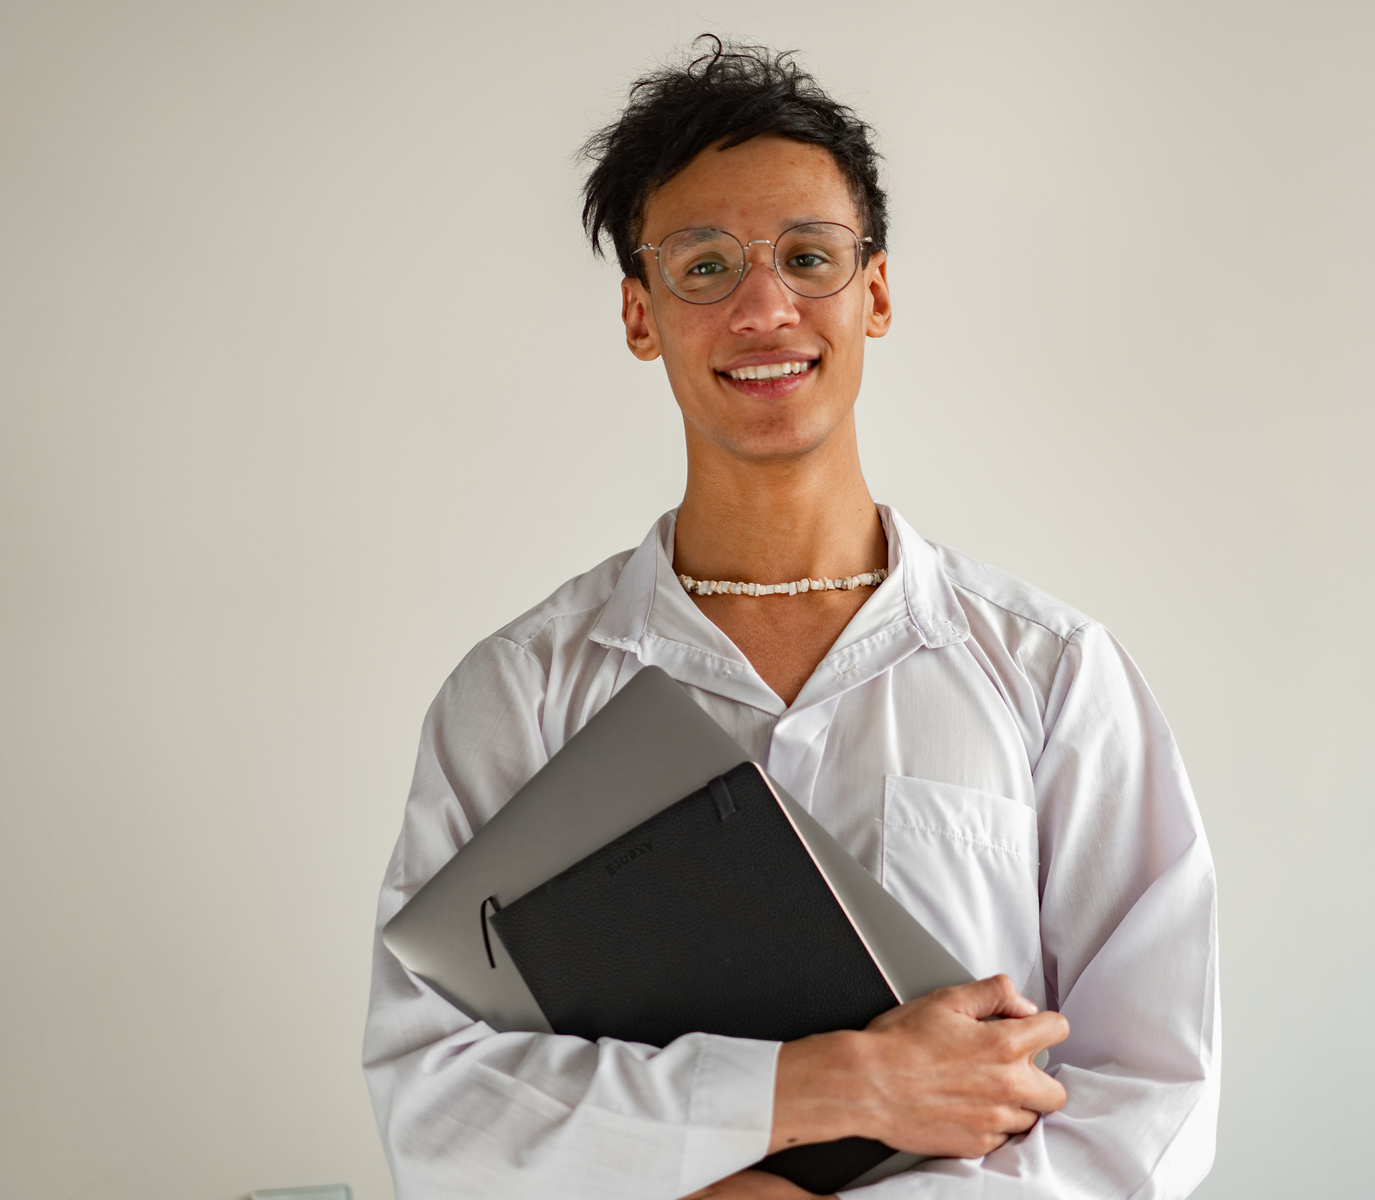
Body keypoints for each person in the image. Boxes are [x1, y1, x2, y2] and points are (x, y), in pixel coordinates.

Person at [363, 38, 1219, 1200]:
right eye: (705, 265)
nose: (765, 307)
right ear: (640, 313)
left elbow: (1153, 1096)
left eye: (806, 257)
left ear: (872, 292)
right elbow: (440, 1106)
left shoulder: (1052, 674)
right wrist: (827, 1089)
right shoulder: (520, 692)